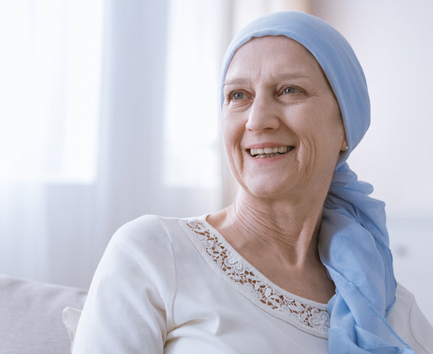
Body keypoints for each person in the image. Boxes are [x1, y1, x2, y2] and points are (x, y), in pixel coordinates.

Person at [72, 11, 433, 354]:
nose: (258, 120)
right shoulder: (153, 252)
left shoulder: (386, 303)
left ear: (346, 128)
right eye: (238, 96)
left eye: (290, 90)